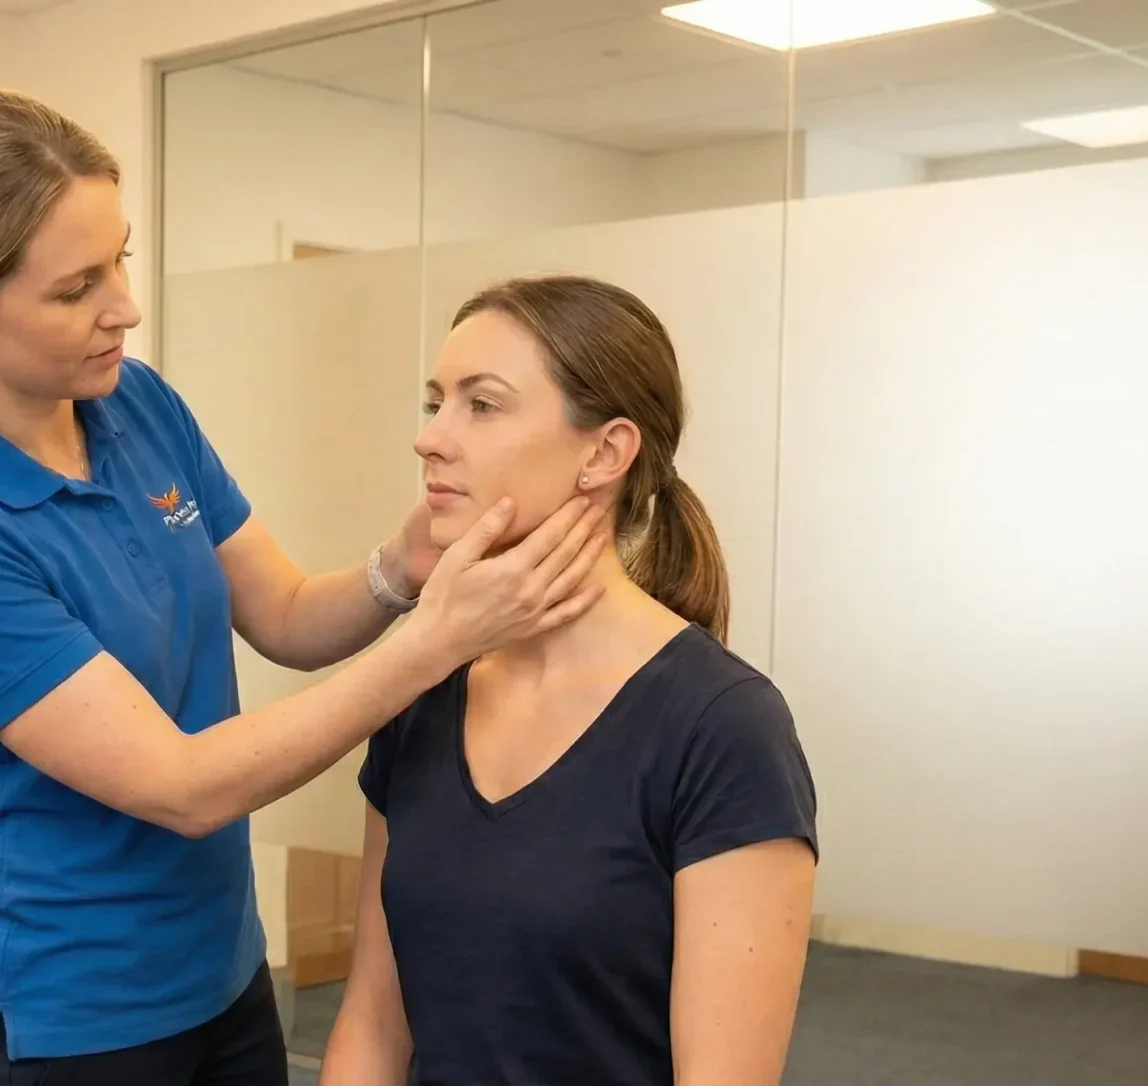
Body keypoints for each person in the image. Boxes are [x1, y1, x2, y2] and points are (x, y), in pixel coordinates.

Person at [0, 87, 613, 1086]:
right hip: (70, 1018)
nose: (123, 307)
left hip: (222, 974)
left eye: (120, 260)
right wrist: (433, 642)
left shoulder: (133, 404)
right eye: (75, 288)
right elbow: (181, 789)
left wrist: (399, 570)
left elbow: (282, 613)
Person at [321, 275, 820, 1086]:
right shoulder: (422, 686)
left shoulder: (723, 726)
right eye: (435, 402)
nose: (431, 439)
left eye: (481, 405)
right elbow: (374, 1027)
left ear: (606, 453)